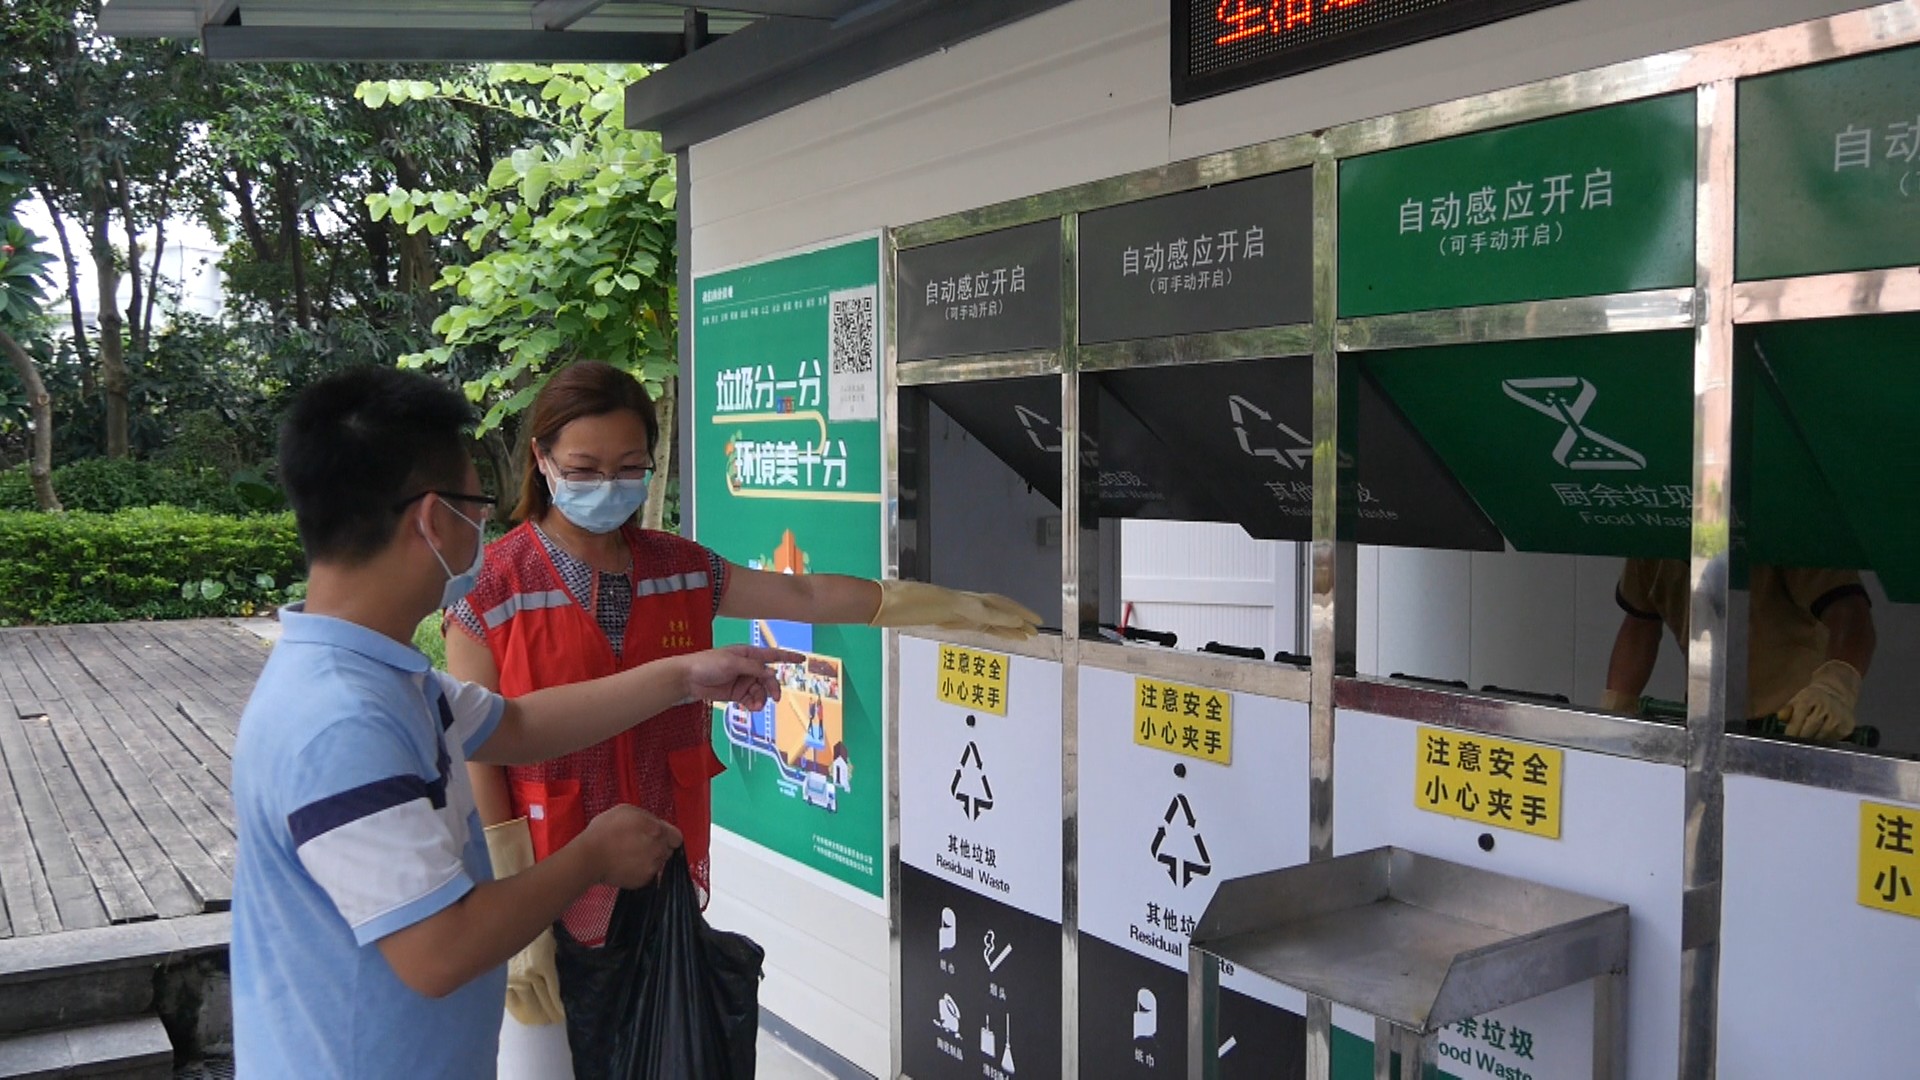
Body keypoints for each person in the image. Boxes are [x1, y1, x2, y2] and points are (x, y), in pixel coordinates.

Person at [445, 361, 1039, 1072]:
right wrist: (512, 902)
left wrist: (947, 605)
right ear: (542, 460)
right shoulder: (489, 588)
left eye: (629, 467)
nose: (608, 486)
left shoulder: (678, 567)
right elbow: (482, 753)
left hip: (658, 873)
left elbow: (807, 597)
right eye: (584, 469)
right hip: (549, 885)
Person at [230, 367, 799, 1079]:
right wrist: (589, 858)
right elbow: (439, 952)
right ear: (433, 520)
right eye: (476, 504)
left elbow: (521, 725)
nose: (486, 525)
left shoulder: (387, 681)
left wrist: (683, 675)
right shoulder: (340, 725)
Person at [1600, 557, 1877, 741]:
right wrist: (1618, 706)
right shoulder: (1657, 542)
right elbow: (1639, 626)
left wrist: (1835, 687)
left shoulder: (1782, 525)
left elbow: (1850, 612)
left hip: (1796, 724)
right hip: (1702, 725)